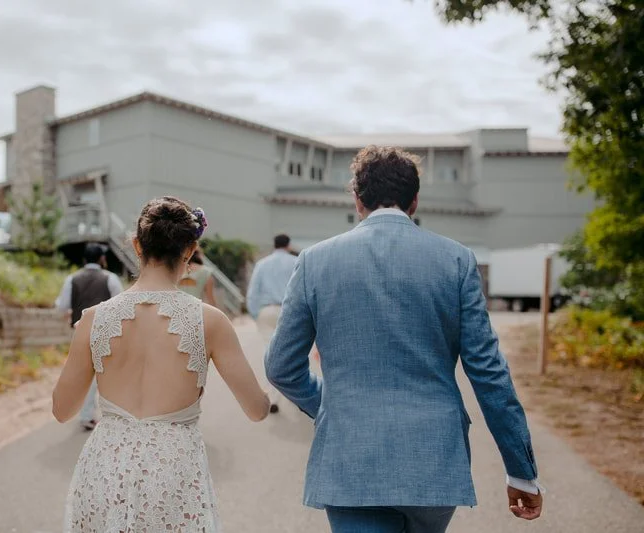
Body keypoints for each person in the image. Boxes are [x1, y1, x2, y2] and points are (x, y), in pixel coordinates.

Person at [265, 146, 543, 533]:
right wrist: (521, 471)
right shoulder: (457, 261)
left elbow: (280, 367)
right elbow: (490, 374)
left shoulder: (314, 261)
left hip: (351, 457)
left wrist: (329, 405)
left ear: (356, 200)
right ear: (414, 201)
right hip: (433, 459)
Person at [53, 196, 270, 532]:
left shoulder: (94, 320)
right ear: (189, 249)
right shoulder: (209, 321)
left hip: (106, 467)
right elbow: (256, 409)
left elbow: (62, 409)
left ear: (137, 246)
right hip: (173, 470)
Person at [54, 243, 123, 430]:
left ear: (85, 259)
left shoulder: (72, 279)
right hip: (107, 332)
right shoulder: (111, 278)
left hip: (80, 331)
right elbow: (121, 305)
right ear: (102, 259)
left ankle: (86, 415)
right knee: (107, 371)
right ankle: (107, 413)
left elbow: (62, 306)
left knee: (84, 373)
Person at [246, 233, 297, 413]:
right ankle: (293, 392)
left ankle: (273, 396)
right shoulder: (295, 262)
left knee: (270, 352)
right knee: (293, 353)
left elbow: (253, 292)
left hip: (267, 310)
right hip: (290, 311)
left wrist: (255, 313)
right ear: (288, 245)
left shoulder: (262, 264)